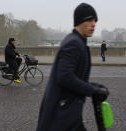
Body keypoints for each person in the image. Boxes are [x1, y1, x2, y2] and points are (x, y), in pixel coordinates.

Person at [36, 3, 109, 131]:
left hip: (67, 113)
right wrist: (92, 90)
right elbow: (65, 77)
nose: (94, 24)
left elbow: (73, 77)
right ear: (80, 21)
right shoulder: (74, 44)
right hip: (62, 116)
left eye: (95, 21)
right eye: (90, 20)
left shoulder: (76, 41)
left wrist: (93, 86)